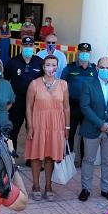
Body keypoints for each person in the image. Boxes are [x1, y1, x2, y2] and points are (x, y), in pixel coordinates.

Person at [79, 57, 108, 204]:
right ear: (97, 69)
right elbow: (85, 107)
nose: (106, 71)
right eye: (102, 68)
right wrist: (100, 123)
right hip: (92, 128)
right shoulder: (88, 85)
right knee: (88, 160)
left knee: (107, 161)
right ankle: (86, 189)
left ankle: (106, 189)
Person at [25, 55, 70, 202]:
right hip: (38, 123)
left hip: (56, 125)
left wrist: (67, 127)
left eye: (54, 65)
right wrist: (30, 126)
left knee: (51, 155)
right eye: (48, 65)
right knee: (37, 155)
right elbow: (28, 107)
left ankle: (48, 186)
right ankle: (36, 185)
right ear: (43, 67)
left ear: (58, 67)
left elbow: (66, 107)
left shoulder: (63, 84)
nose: (51, 68)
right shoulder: (34, 84)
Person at [4, 36, 43, 153]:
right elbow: (5, 81)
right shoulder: (13, 62)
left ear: (34, 47)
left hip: (35, 103)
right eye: (25, 45)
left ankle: (31, 159)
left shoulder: (39, 62)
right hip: (17, 103)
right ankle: (12, 159)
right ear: (21, 46)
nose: (28, 48)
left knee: (33, 130)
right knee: (13, 131)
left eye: (30, 45)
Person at [61, 42, 96, 166]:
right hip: (72, 105)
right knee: (69, 133)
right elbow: (62, 86)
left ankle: (84, 160)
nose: (84, 54)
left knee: (86, 134)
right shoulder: (70, 68)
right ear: (78, 52)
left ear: (90, 53)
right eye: (82, 51)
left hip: (88, 107)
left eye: (86, 52)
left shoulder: (94, 69)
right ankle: (67, 161)